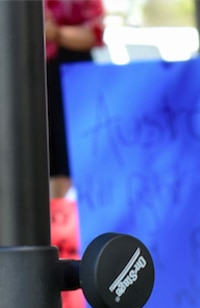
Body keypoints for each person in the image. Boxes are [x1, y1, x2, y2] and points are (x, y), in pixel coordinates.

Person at [45, 0, 105, 199]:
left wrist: (55, 33)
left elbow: (94, 33)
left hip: (69, 75)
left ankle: (59, 216)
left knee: (67, 153)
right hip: (31, 72)